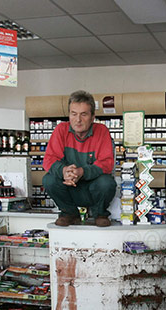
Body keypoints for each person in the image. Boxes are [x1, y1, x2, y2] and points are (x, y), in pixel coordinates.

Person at [42, 90, 116, 227]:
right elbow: (49, 159)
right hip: (69, 187)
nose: (78, 120)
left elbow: (107, 163)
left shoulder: (101, 131)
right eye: (73, 114)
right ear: (69, 114)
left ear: (93, 117)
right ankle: (69, 213)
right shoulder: (61, 130)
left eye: (84, 114)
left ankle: (99, 213)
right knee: (49, 179)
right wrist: (64, 171)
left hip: (92, 188)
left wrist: (81, 172)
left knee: (107, 183)